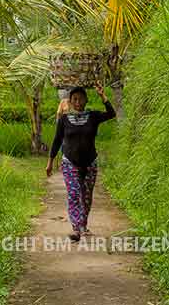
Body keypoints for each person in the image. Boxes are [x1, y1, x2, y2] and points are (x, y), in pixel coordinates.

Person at [46, 83, 116, 242]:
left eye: (81, 99)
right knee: (73, 194)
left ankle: (83, 225)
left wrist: (102, 95)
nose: (78, 102)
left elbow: (111, 114)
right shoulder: (64, 119)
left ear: (86, 100)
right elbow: (57, 141)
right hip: (69, 162)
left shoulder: (93, 116)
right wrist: (50, 162)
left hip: (90, 162)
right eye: (75, 99)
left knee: (86, 196)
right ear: (70, 101)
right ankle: (76, 229)